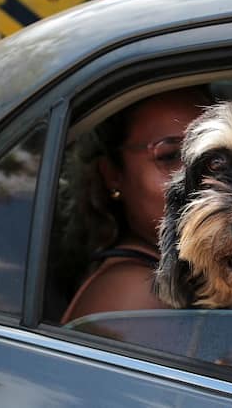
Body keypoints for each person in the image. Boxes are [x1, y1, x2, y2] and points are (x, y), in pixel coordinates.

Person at [60, 87, 210, 323]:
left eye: (214, 156)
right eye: (169, 156)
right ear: (113, 174)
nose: (204, 179)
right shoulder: (139, 294)